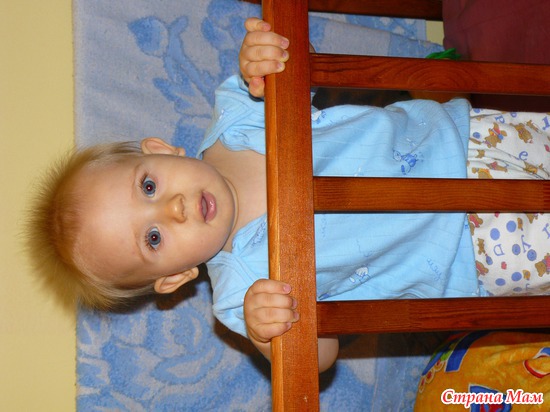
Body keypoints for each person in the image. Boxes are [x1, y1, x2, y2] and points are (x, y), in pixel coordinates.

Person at [26, 18, 549, 372]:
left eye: (149, 186)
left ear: (161, 149)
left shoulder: (237, 110)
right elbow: (320, 358)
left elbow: (306, 67)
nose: (175, 208)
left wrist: (272, 57)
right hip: (474, 253)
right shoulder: (242, 295)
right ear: (175, 278)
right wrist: (272, 337)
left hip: (467, 138)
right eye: (154, 237)